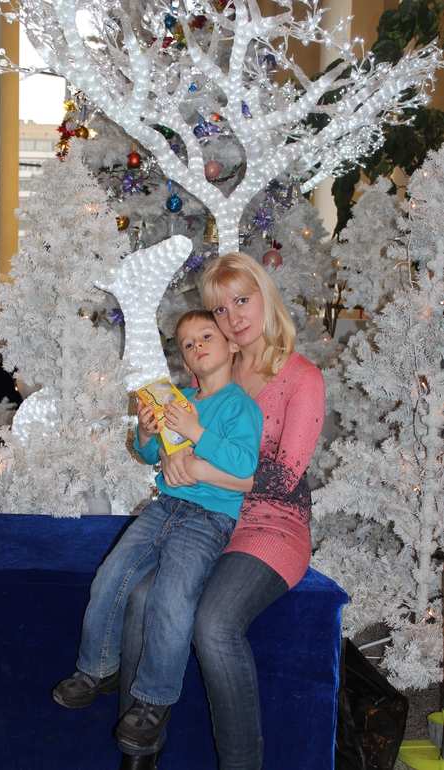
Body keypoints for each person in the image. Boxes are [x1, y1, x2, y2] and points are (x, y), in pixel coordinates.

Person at [116, 252, 326, 770]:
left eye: (242, 300)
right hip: (204, 517)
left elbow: (281, 479)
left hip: (271, 523)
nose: (233, 316)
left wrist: (199, 466)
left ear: (265, 297)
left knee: (214, 623)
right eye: (219, 308)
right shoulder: (209, 376)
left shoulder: (302, 377)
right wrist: (170, 456)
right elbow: (170, 447)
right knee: (140, 597)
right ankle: (138, 755)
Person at [52, 309, 263, 752]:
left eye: (207, 336)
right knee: (111, 575)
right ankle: (97, 667)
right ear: (185, 362)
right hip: (163, 507)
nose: (198, 346)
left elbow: (244, 465)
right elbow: (150, 455)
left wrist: (194, 429)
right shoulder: (177, 399)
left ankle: (153, 701)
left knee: (172, 596)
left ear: (231, 345)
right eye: (188, 344)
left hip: (209, 519)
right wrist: (147, 433)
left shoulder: (241, 406)